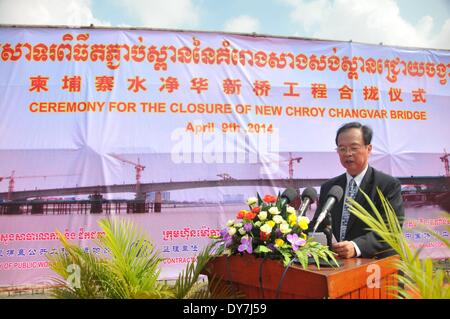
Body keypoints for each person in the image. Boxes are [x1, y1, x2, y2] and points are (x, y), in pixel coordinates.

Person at [311, 122, 404, 259]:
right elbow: (319, 225)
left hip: (378, 266)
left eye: (354, 148)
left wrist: (356, 247)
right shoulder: (330, 187)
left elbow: (391, 230)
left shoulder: (388, 185)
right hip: (339, 267)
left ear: (368, 148)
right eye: (342, 149)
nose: (348, 154)